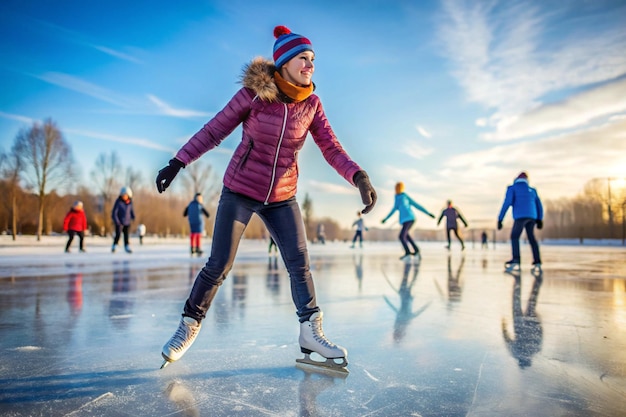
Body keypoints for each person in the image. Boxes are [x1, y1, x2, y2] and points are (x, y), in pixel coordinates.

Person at [155, 25, 377, 372]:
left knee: (299, 264)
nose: (310, 65)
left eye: (313, 59)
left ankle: (310, 332)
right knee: (219, 265)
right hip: (240, 190)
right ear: (285, 62)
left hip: (282, 196)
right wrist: (177, 161)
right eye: (303, 58)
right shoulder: (255, 95)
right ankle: (188, 325)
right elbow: (215, 130)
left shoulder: (312, 105)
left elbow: (331, 148)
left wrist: (358, 176)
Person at [497, 172, 544, 273]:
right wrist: (540, 219)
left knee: (514, 236)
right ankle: (537, 261)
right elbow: (539, 205)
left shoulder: (513, 188)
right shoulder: (532, 190)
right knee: (531, 238)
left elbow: (507, 203)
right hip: (532, 216)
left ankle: (516, 259)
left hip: (520, 216)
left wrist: (500, 219)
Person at [381, 182, 435, 259]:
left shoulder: (405, 196)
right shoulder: (396, 197)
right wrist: (386, 218)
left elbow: (417, 205)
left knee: (401, 236)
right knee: (406, 235)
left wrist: (428, 213)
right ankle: (416, 250)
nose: (397, 189)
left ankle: (408, 253)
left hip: (410, 218)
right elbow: (393, 209)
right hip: (404, 221)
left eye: (398, 187)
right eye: (396, 188)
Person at [111, 186, 135, 254]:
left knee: (126, 235)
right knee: (118, 235)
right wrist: (117, 221)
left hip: (127, 222)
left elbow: (131, 210)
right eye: (122, 195)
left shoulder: (130, 202)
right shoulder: (118, 202)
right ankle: (114, 246)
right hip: (119, 222)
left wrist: (133, 216)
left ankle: (127, 246)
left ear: (129, 195)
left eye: (125, 195)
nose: (124, 196)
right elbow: (114, 212)